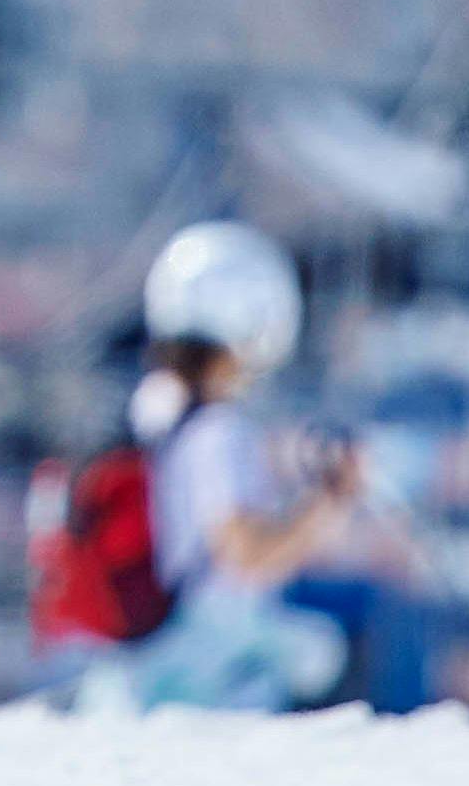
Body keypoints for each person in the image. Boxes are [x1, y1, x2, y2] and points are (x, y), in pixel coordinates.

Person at [73, 220, 365, 713]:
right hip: (209, 672)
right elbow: (243, 554)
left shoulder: (155, 409)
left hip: (151, 659)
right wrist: (329, 503)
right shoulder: (217, 432)